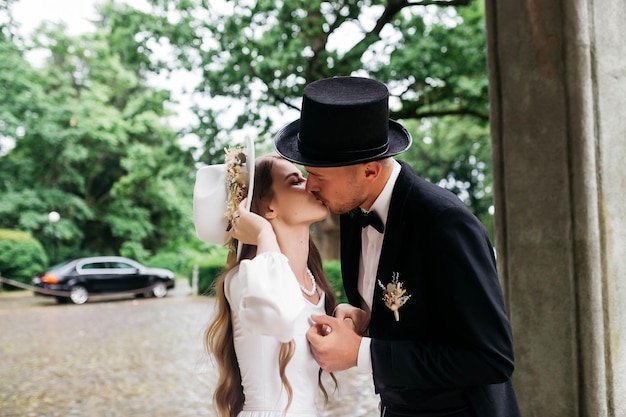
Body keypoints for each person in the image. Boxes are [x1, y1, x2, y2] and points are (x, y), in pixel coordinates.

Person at [273, 76, 522, 417]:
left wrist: (363, 352)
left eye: (319, 176)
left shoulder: (444, 224)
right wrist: (368, 322)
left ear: (370, 171)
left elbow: (492, 358)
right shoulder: (350, 207)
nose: (309, 186)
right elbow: (417, 321)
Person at [193, 145, 340, 417]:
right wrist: (263, 233)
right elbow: (280, 316)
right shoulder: (243, 281)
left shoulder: (315, 286)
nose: (311, 184)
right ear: (268, 207)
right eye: (295, 182)